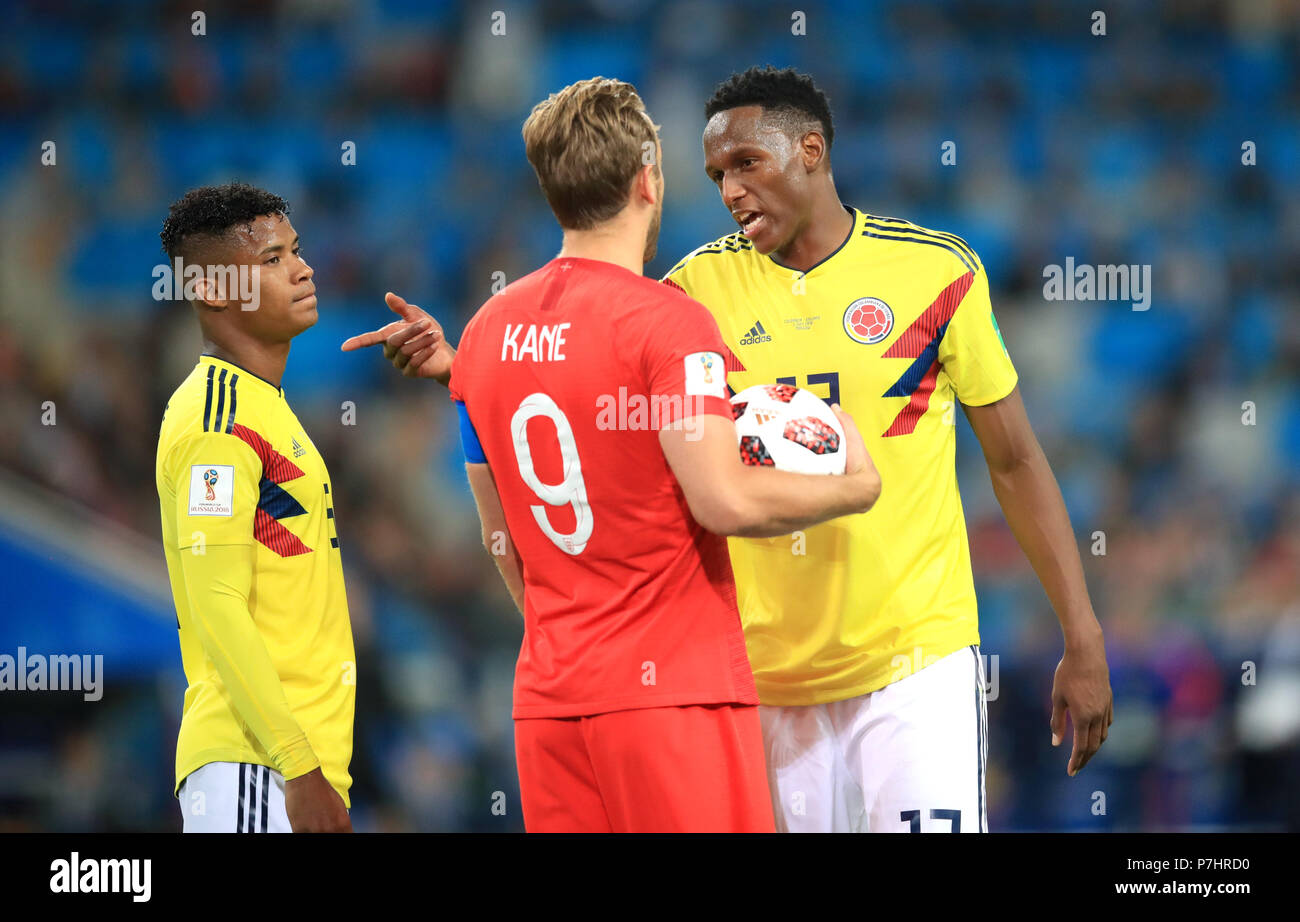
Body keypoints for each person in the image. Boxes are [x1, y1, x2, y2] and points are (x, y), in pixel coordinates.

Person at [345, 65, 1113, 834]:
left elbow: (1013, 460)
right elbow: (589, 363)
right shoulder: (688, 293)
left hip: (915, 667)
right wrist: (466, 366)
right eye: (715, 174)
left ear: (811, 150)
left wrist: (1081, 633)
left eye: (747, 164)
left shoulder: (937, 273)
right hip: (766, 680)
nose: (729, 191)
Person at [344, 77, 881, 833]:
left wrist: (573, 641)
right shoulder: (670, 324)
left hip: (551, 703)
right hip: (674, 700)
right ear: (647, 179)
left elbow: (503, 542)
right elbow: (722, 501)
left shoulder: (487, 334)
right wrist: (853, 485)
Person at [156, 182, 354, 833]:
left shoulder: (265, 406)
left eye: (295, 251)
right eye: (271, 260)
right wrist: (297, 766)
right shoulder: (216, 419)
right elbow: (217, 603)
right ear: (214, 290)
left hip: (286, 771)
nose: (303, 268)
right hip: (257, 770)